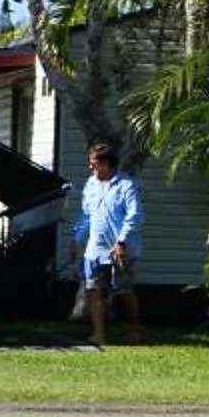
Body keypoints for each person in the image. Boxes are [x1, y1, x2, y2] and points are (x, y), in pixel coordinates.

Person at [74, 140, 144, 348]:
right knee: (95, 290)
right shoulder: (90, 185)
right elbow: (86, 214)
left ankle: (133, 328)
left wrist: (121, 242)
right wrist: (77, 237)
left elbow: (136, 216)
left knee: (123, 291)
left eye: (94, 163)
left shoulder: (127, 186)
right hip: (95, 249)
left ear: (107, 164)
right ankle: (98, 335)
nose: (90, 167)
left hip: (121, 249)